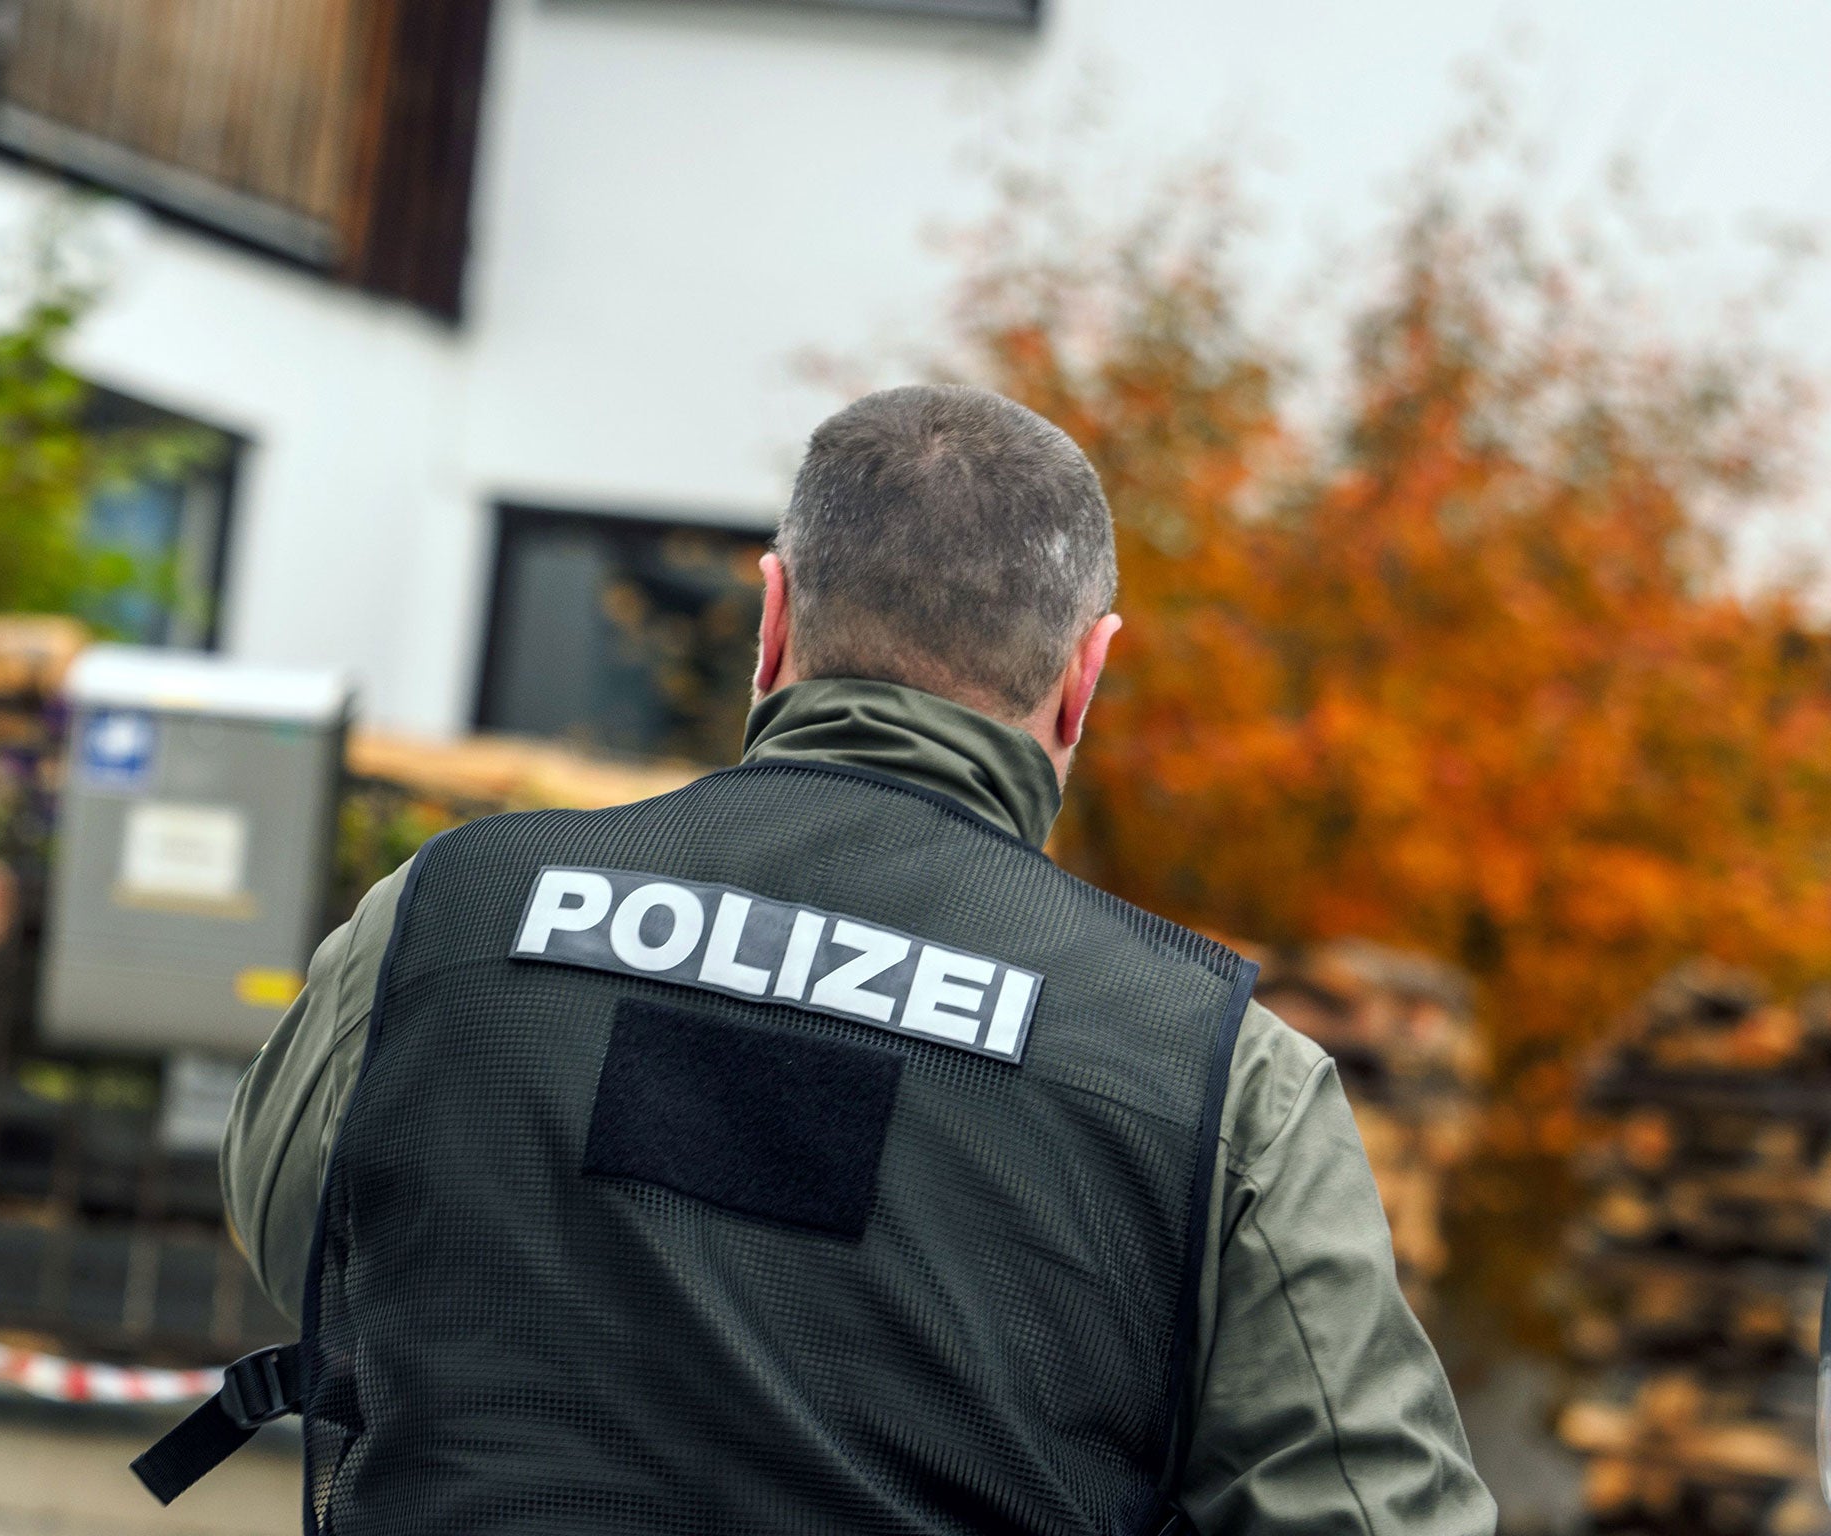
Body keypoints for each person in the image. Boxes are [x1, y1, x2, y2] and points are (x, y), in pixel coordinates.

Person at [202, 386, 1496, 1533]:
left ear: (772, 619)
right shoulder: (1214, 1080)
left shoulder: (452, 915)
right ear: (1083, 678)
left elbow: (295, 1234)